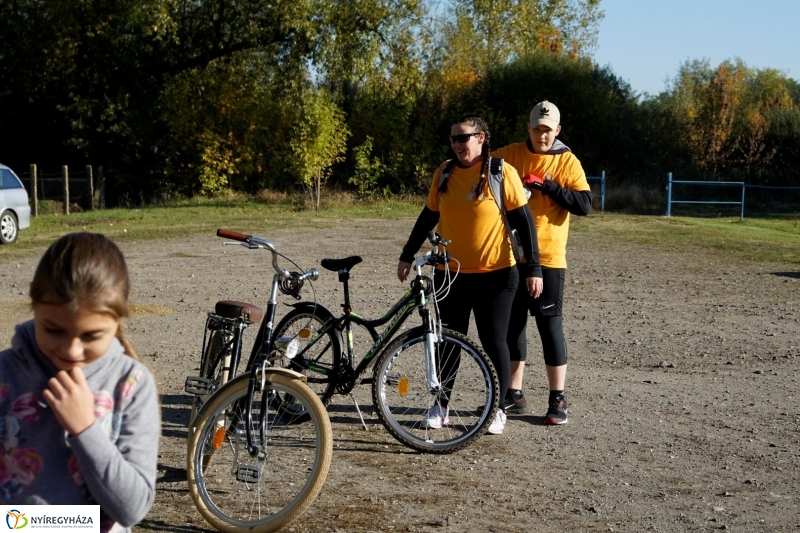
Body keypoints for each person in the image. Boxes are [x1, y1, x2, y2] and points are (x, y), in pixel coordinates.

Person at [0, 232, 159, 531]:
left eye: (90, 336)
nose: (71, 350)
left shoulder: (132, 384)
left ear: (120, 314)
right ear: (34, 305)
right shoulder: (4, 375)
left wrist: (86, 430)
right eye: (53, 330)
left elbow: (132, 509)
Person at [397, 115, 543, 435]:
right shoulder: (445, 172)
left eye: (464, 138)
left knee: (494, 342)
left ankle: (497, 409)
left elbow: (525, 223)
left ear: (481, 138)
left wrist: (534, 268)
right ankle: (441, 404)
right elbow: (428, 216)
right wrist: (407, 254)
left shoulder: (501, 172)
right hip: (450, 274)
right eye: (453, 139)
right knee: (447, 340)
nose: (457, 145)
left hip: (497, 275)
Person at [493, 100, 592, 425]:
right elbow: (482, 171)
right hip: (511, 256)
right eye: (537, 129)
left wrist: (548, 186)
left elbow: (584, 204)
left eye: (548, 130)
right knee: (512, 327)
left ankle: (557, 399)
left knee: (549, 327)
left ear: (557, 130)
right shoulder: (509, 154)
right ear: (529, 127)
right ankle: (514, 393)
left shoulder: (567, 161)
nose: (542, 136)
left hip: (549, 258)